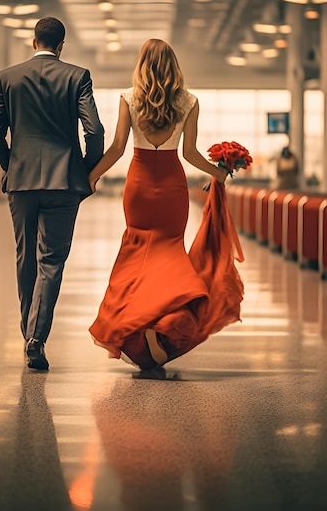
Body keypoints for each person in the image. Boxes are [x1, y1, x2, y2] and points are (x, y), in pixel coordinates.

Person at [88, 38, 243, 372]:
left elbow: (116, 148)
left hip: (139, 185)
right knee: (169, 254)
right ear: (173, 65)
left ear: (143, 64)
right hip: (172, 187)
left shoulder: (129, 98)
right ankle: (159, 322)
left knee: (137, 256)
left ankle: (139, 320)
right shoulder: (188, 102)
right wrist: (220, 171)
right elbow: (189, 154)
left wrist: (92, 176)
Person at [0, 16, 104, 370]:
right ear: (61, 45)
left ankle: (29, 333)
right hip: (64, 181)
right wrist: (84, 167)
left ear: (34, 41)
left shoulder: (7, 78)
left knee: (25, 257)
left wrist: (13, 165)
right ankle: (36, 338)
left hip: (21, 183)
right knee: (51, 260)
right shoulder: (77, 76)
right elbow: (94, 130)